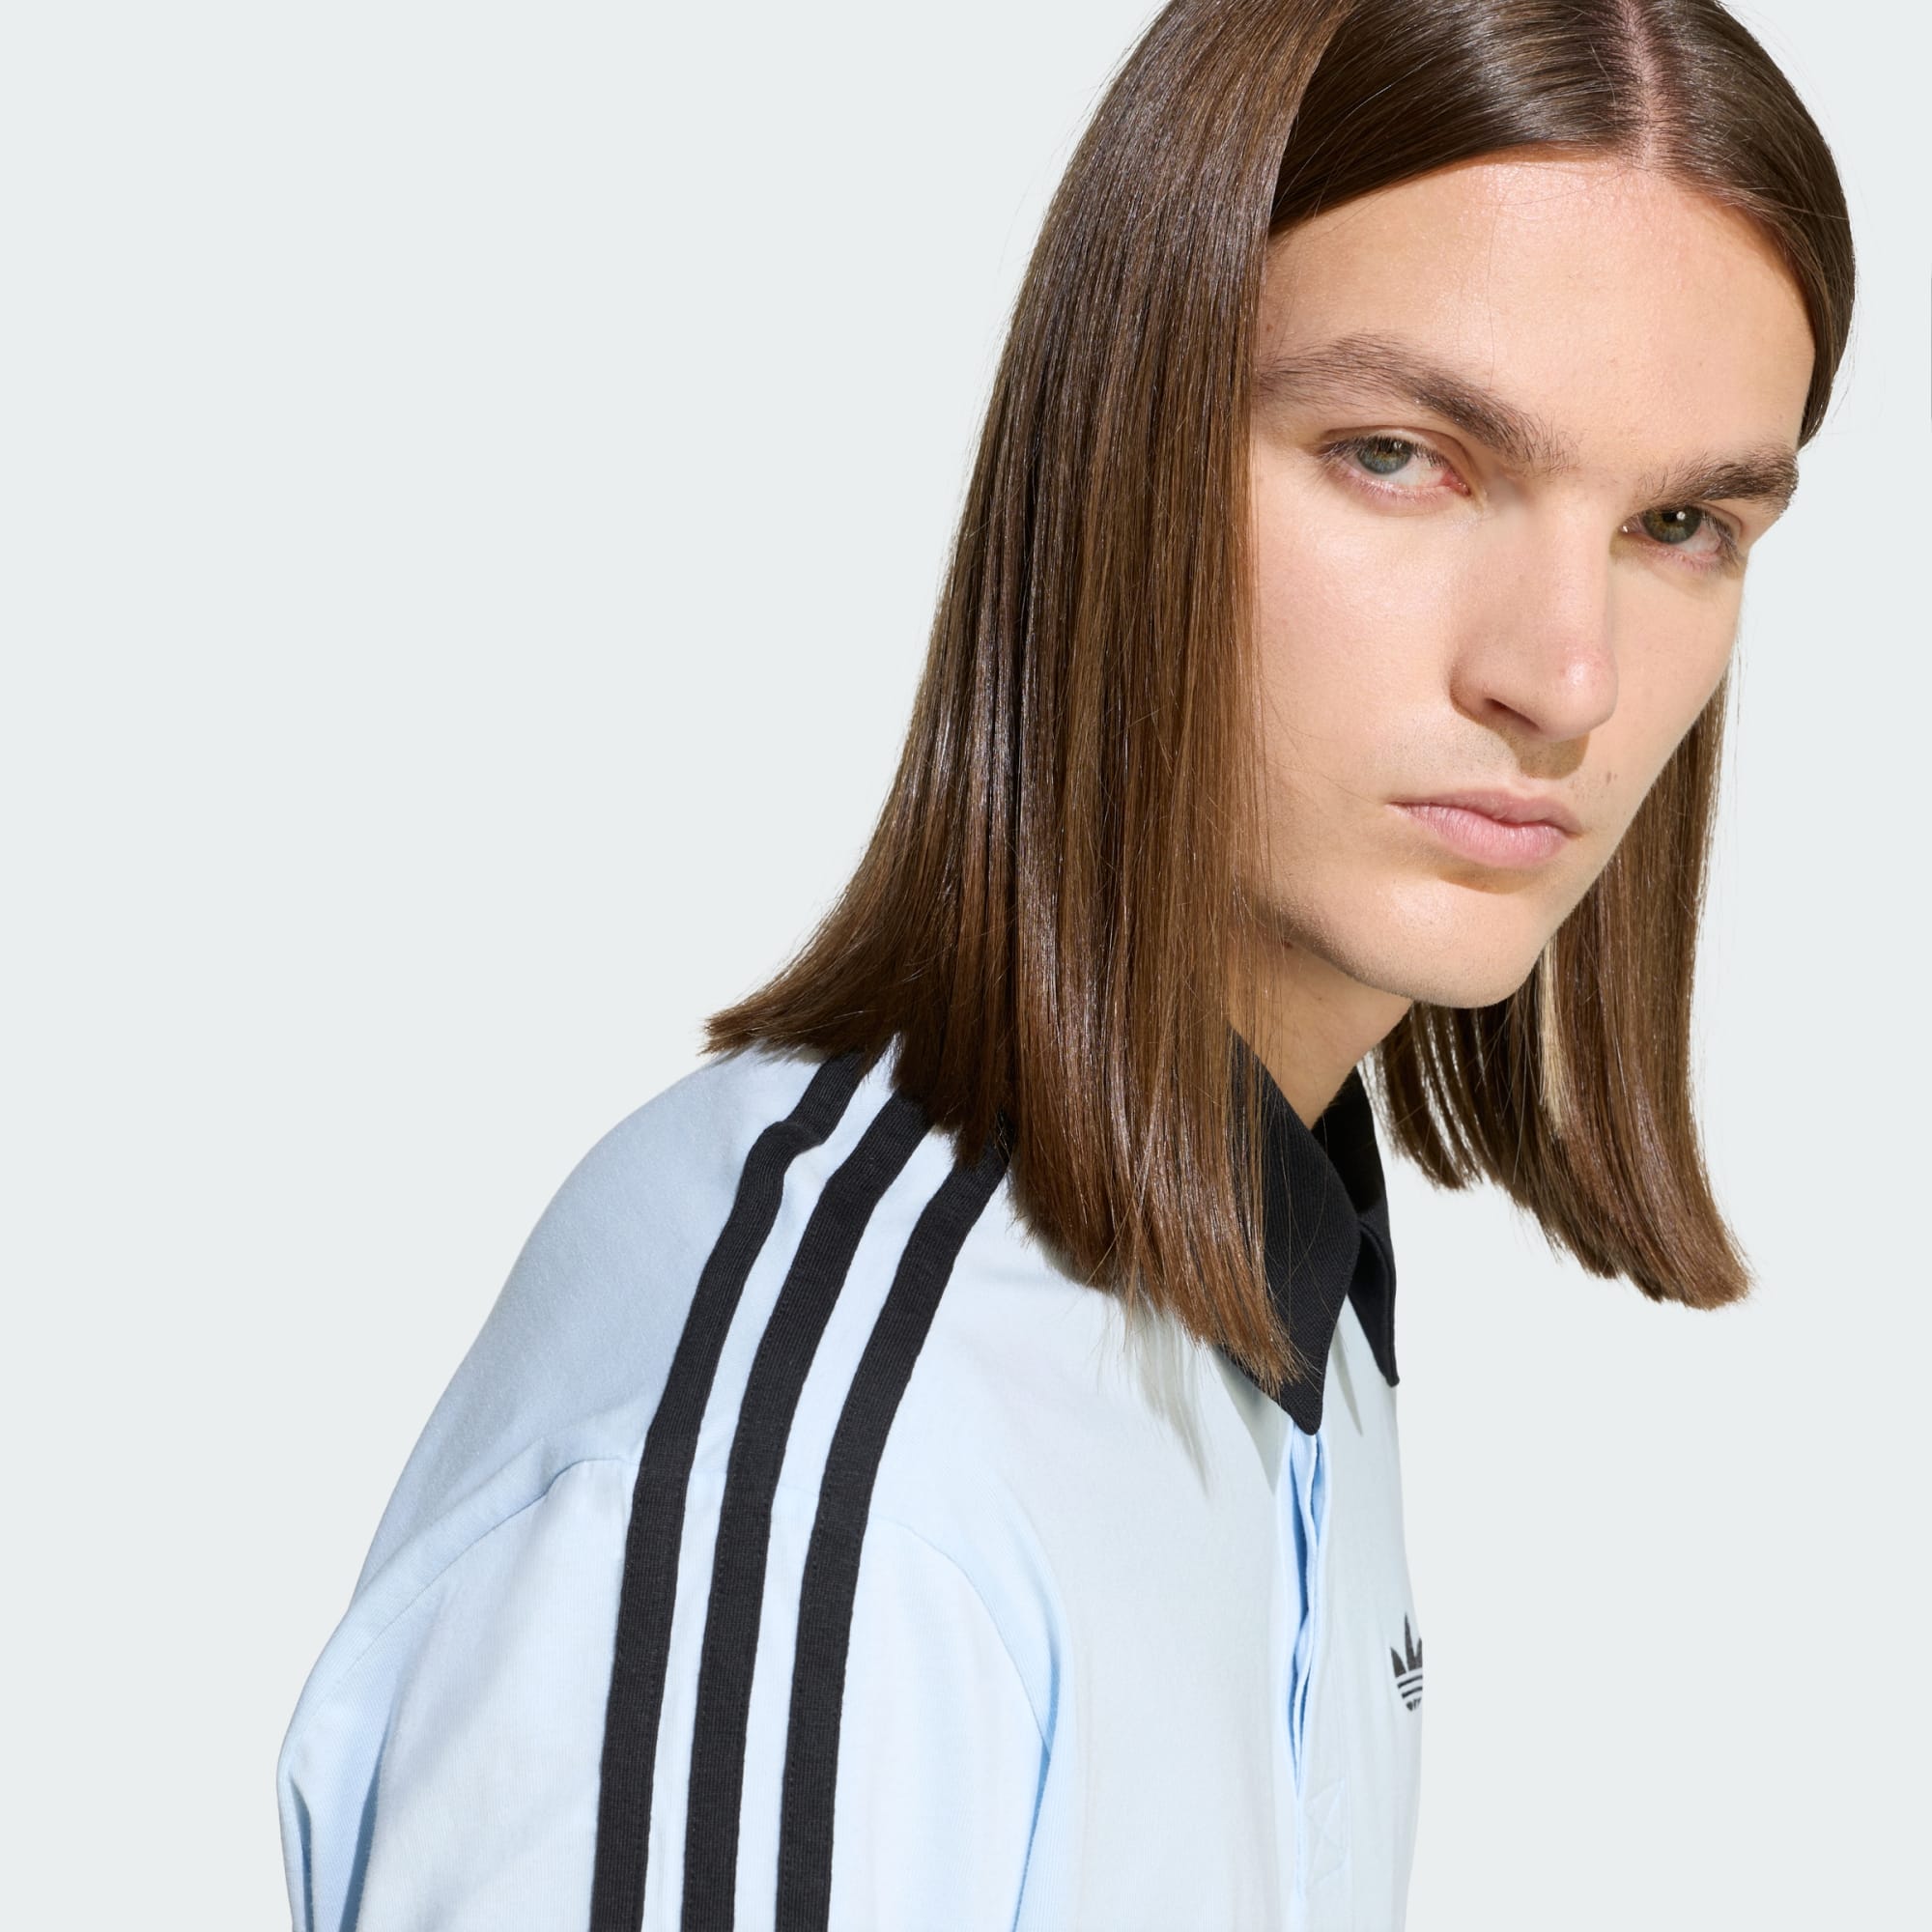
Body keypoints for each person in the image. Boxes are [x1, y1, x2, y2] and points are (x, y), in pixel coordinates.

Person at [276, 1, 1854, 1926]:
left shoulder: (1278, 1285)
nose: (1565, 676)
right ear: (1123, 451)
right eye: (1397, 456)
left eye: (1681, 523)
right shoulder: (828, 1464)